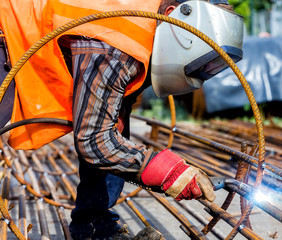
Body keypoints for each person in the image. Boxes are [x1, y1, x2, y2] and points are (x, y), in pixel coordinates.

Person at [0, 0, 242, 239]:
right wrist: (169, 171)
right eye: (205, 64)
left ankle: (94, 224)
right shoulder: (121, 37)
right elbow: (95, 141)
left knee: (113, 125)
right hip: (6, 33)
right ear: (173, 16)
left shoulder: (142, 29)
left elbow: (110, 127)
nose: (203, 74)